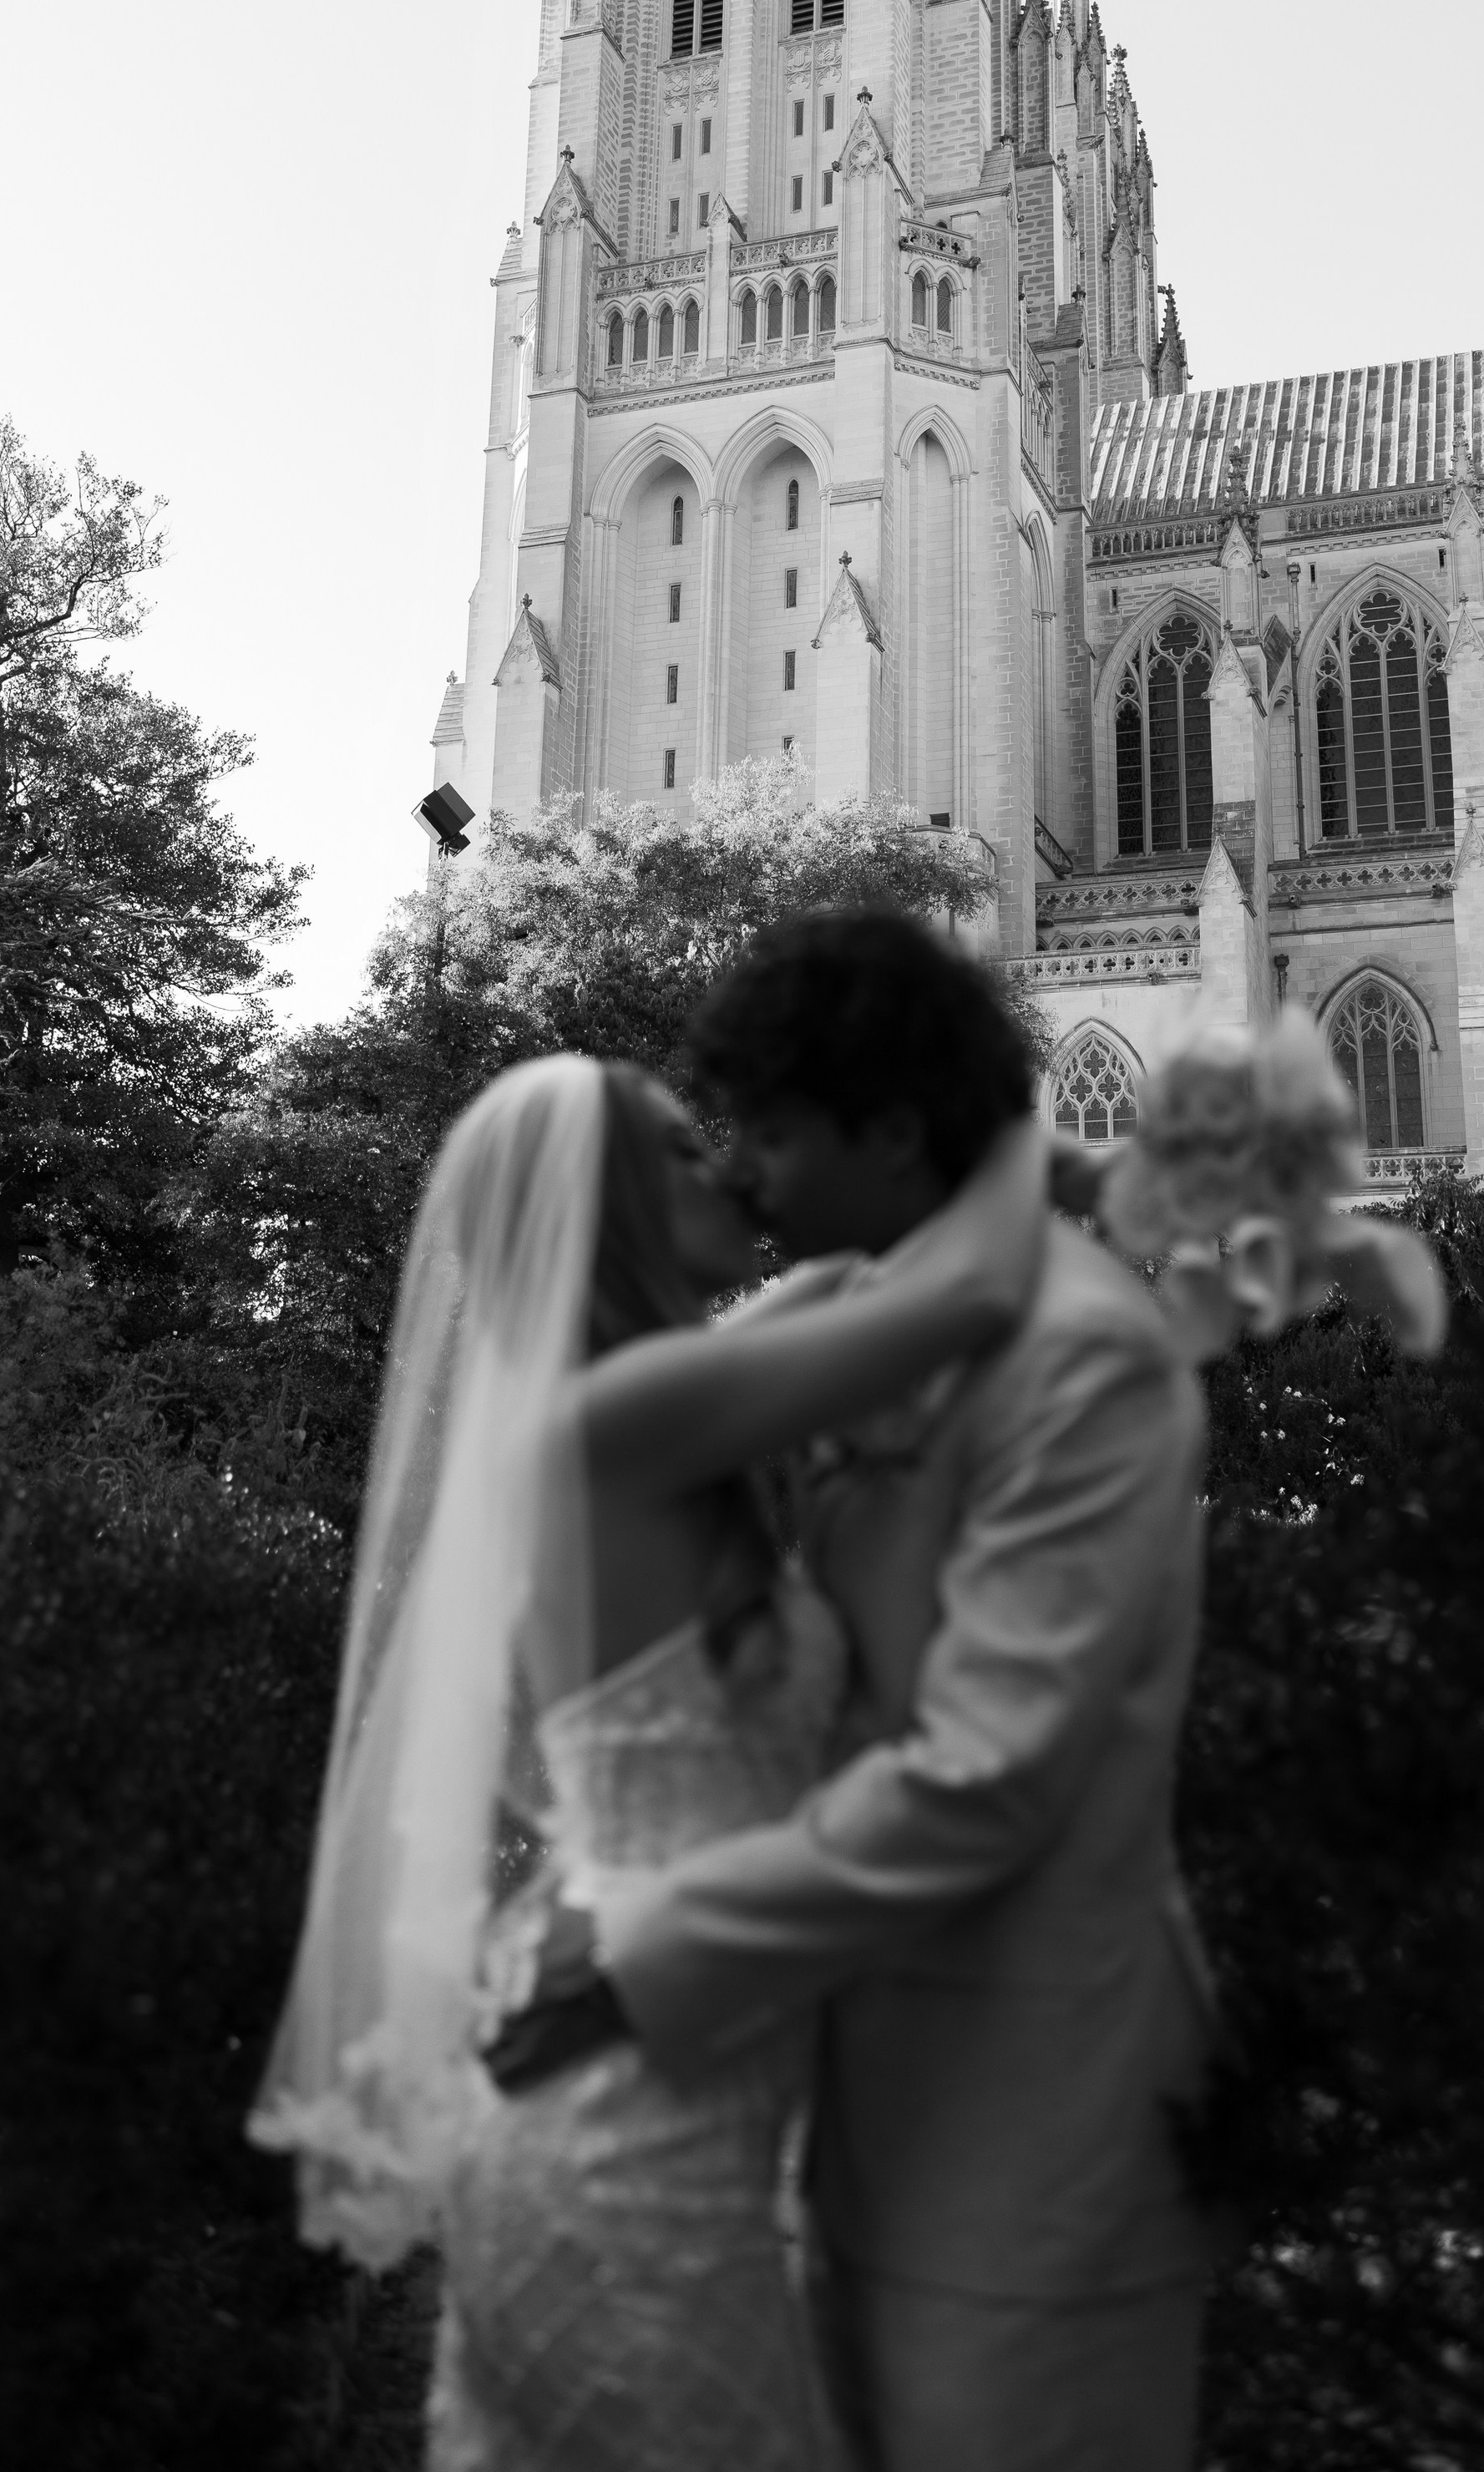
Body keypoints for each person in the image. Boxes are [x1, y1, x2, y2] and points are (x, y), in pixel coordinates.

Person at [248, 1038, 1048, 2471]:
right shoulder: (616, 1420)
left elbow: (851, 1284)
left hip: (674, 2098)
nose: (730, 1164)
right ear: (606, 1210)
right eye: (684, 1151)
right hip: (621, 2148)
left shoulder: (654, 1410)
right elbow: (969, 1285)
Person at [489, 909, 1220, 2472]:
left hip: (1033, 2120)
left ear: (887, 1134)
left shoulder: (1085, 1358)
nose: (743, 1172)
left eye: (768, 1132)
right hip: (815, 2103)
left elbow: (989, 1773)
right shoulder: (843, 1306)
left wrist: (638, 1952)